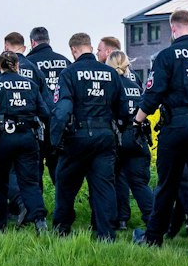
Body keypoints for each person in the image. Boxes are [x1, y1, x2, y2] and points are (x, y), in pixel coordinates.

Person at [142, 9, 188, 256]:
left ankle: (153, 239)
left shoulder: (166, 55)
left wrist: (137, 120)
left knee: (167, 185)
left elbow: (153, 94)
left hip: (175, 125)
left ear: (173, 30)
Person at [50, 33, 131, 240]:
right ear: (90, 46)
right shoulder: (110, 73)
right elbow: (123, 109)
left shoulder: (69, 73)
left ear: (73, 50)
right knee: (104, 186)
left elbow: (63, 108)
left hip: (77, 137)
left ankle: (62, 228)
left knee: (66, 184)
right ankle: (106, 234)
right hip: (105, 137)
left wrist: (55, 139)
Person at [0, 49, 47, 230]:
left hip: (3, 139)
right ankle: (40, 221)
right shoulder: (31, 85)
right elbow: (45, 113)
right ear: (17, 66)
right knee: (30, 182)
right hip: (27, 138)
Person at [99, 42, 154, 241]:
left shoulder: (111, 84)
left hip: (118, 137)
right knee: (139, 183)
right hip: (138, 137)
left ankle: (119, 219)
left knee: (113, 179)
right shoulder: (135, 86)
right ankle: (153, 220)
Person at [24, 28, 70, 193]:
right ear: (48, 41)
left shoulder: (28, 63)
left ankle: (36, 208)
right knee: (58, 167)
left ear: (32, 42)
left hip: (36, 123)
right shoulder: (65, 61)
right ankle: (63, 207)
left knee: (34, 167)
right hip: (60, 121)